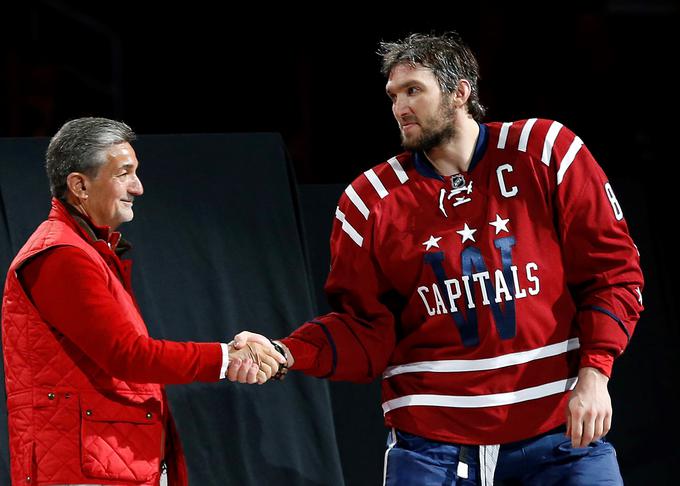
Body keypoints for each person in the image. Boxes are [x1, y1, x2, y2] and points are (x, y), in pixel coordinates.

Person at [232, 33, 644, 485]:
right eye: (392, 96)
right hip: (432, 446)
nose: (399, 107)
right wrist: (287, 351)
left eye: (413, 90)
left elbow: (613, 273)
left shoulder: (546, 151)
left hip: (560, 434)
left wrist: (596, 373)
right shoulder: (368, 201)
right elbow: (363, 328)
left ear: (460, 92)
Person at [0, 117, 284, 486]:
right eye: (124, 173)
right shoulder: (61, 255)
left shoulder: (84, 251)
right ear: (80, 185)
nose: (139, 187)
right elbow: (127, 355)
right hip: (84, 469)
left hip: (105, 462)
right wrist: (228, 358)